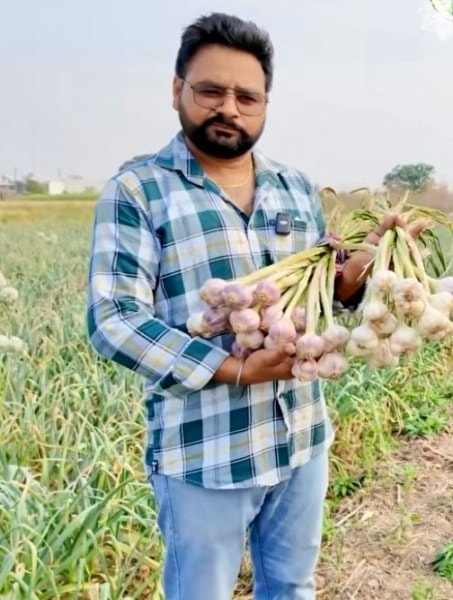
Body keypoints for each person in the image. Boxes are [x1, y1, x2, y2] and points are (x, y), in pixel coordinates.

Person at [87, 12, 420, 600]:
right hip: (204, 454)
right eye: (211, 91)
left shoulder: (293, 186)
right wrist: (235, 367)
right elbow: (114, 319)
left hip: (301, 437)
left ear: (265, 102)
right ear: (177, 91)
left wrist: (364, 264)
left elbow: (328, 297)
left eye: (248, 95)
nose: (229, 108)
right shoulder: (138, 190)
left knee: (292, 588)